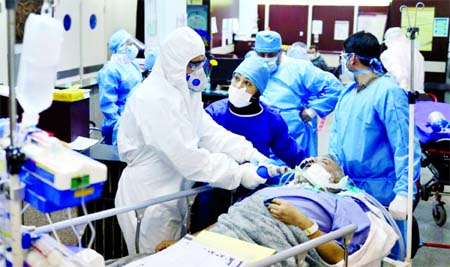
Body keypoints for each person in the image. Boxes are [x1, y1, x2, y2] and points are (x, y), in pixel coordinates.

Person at [114, 27, 269, 254]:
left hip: (171, 192)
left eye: (200, 63)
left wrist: (249, 152)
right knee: (152, 259)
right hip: (148, 199)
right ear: (173, 62)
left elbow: (209, 133)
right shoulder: (153, 98)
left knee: (173, 255)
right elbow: (187, 158)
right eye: (191, 64)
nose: (197, 70)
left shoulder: (183, 92)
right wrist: (238, 174)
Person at [157, 156, 399, 266]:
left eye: (324, 162)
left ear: (338, 179)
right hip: (227, 239)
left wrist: (303, 222)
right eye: (310, 161)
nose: (313, 163)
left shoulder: (342, 201)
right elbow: (232, 221)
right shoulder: (273, 191)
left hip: (274, 244)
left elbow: (341, 258)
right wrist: (188, 242)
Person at [190, 56, 305, 232]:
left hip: (252, 192)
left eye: (247, 83)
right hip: (214, 189)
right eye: (237, 78)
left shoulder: (271, 119)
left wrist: (308, 169)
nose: (238, 87)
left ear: (258, 90)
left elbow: (289, 151)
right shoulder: (214, 112)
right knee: (207, 234)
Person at [328, 31, 422, 220]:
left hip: (382, 192)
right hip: (349, 188)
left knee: (386, 246)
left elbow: (405, 145)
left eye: (344, 56)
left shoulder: (388, 92)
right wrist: (331, 171)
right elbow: (336, 139)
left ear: (352, 58)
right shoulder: (347, 94)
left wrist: (404, 192)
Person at [255, 30, 343, 158]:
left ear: (280, 51)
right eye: (261, 54)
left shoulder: (299, 69)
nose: (266, 59)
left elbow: (334, 88)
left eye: (271, 54)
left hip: (293, 136)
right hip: (262, 135)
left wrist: (312, 111)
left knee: (294, 173)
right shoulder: (252, 67)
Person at [98, 29, 143, 145]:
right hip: (120, 123)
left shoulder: (133, 65)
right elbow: (108, 104)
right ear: (121, 47)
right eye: (129, 44)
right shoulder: (109, 71)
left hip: (136, 118)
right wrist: (119, 124)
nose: (133, 47)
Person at [380, 27, 425, 93]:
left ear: (387, 40)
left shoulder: (388, 54)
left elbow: (400, 76)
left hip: (403, 95)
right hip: (420, 95)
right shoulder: (416, 52)